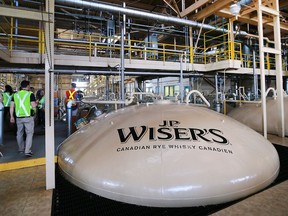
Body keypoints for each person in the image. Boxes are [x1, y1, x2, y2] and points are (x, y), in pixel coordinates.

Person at [10, 80, 37, 157]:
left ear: (21, 86)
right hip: (28, 117)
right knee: (29, 133)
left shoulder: (15, 95)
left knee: (19, 133)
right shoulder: (30, 94)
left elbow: (12, 106)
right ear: (28, 86)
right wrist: (36, 103)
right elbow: (33, 105)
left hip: (18, 117)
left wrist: (12, 116)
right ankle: (27, 150)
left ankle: (21, 149)